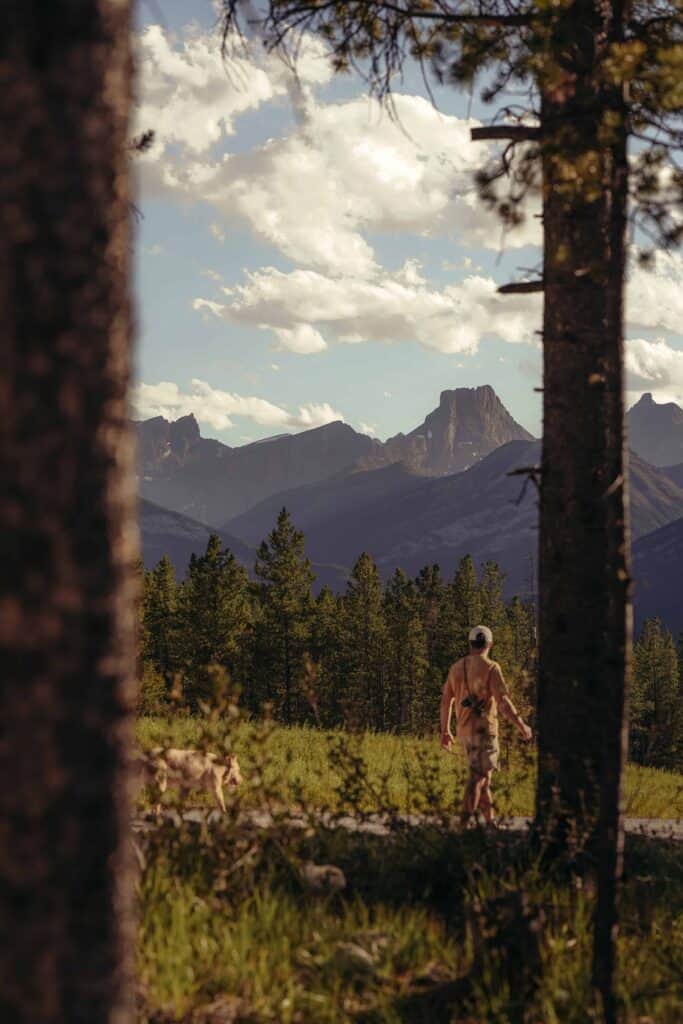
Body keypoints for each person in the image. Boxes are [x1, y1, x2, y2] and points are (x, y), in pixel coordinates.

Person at [440, 625, 532, 825]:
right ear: (490, 644)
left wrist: (445, 731)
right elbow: (503, 702)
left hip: (464, 733)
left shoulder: (456, 667)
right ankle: (463, 827)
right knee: (478, 779)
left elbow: (446, 701)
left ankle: (490, 825)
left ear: (471, 643)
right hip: (485, 732)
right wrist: (522, 725)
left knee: (484, 780)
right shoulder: (492, 667)